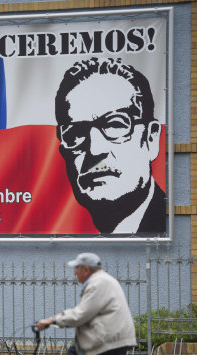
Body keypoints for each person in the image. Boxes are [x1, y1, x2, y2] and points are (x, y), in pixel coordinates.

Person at [55, 57, 166, 234]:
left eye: (115, 125)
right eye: (76, 133)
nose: (95, 150)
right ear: (64, 153)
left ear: (151, 139)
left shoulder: (166, 223)